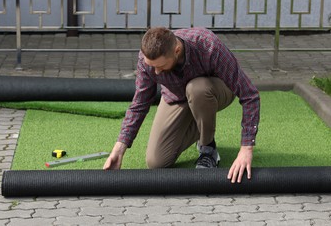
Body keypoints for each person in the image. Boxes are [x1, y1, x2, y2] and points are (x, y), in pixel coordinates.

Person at [103, 27, 260, 183]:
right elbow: (140, 103)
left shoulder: (207, 44)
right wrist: (119, 149)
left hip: (215, 91)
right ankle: (201, 125)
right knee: (156, 162)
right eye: (152, 66)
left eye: (160, 66)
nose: (156, 72)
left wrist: (246, 149)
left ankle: (208, 149)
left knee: (197, 89)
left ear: (177, 50)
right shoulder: (147, 60)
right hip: (176, 97)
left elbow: (249, 94)